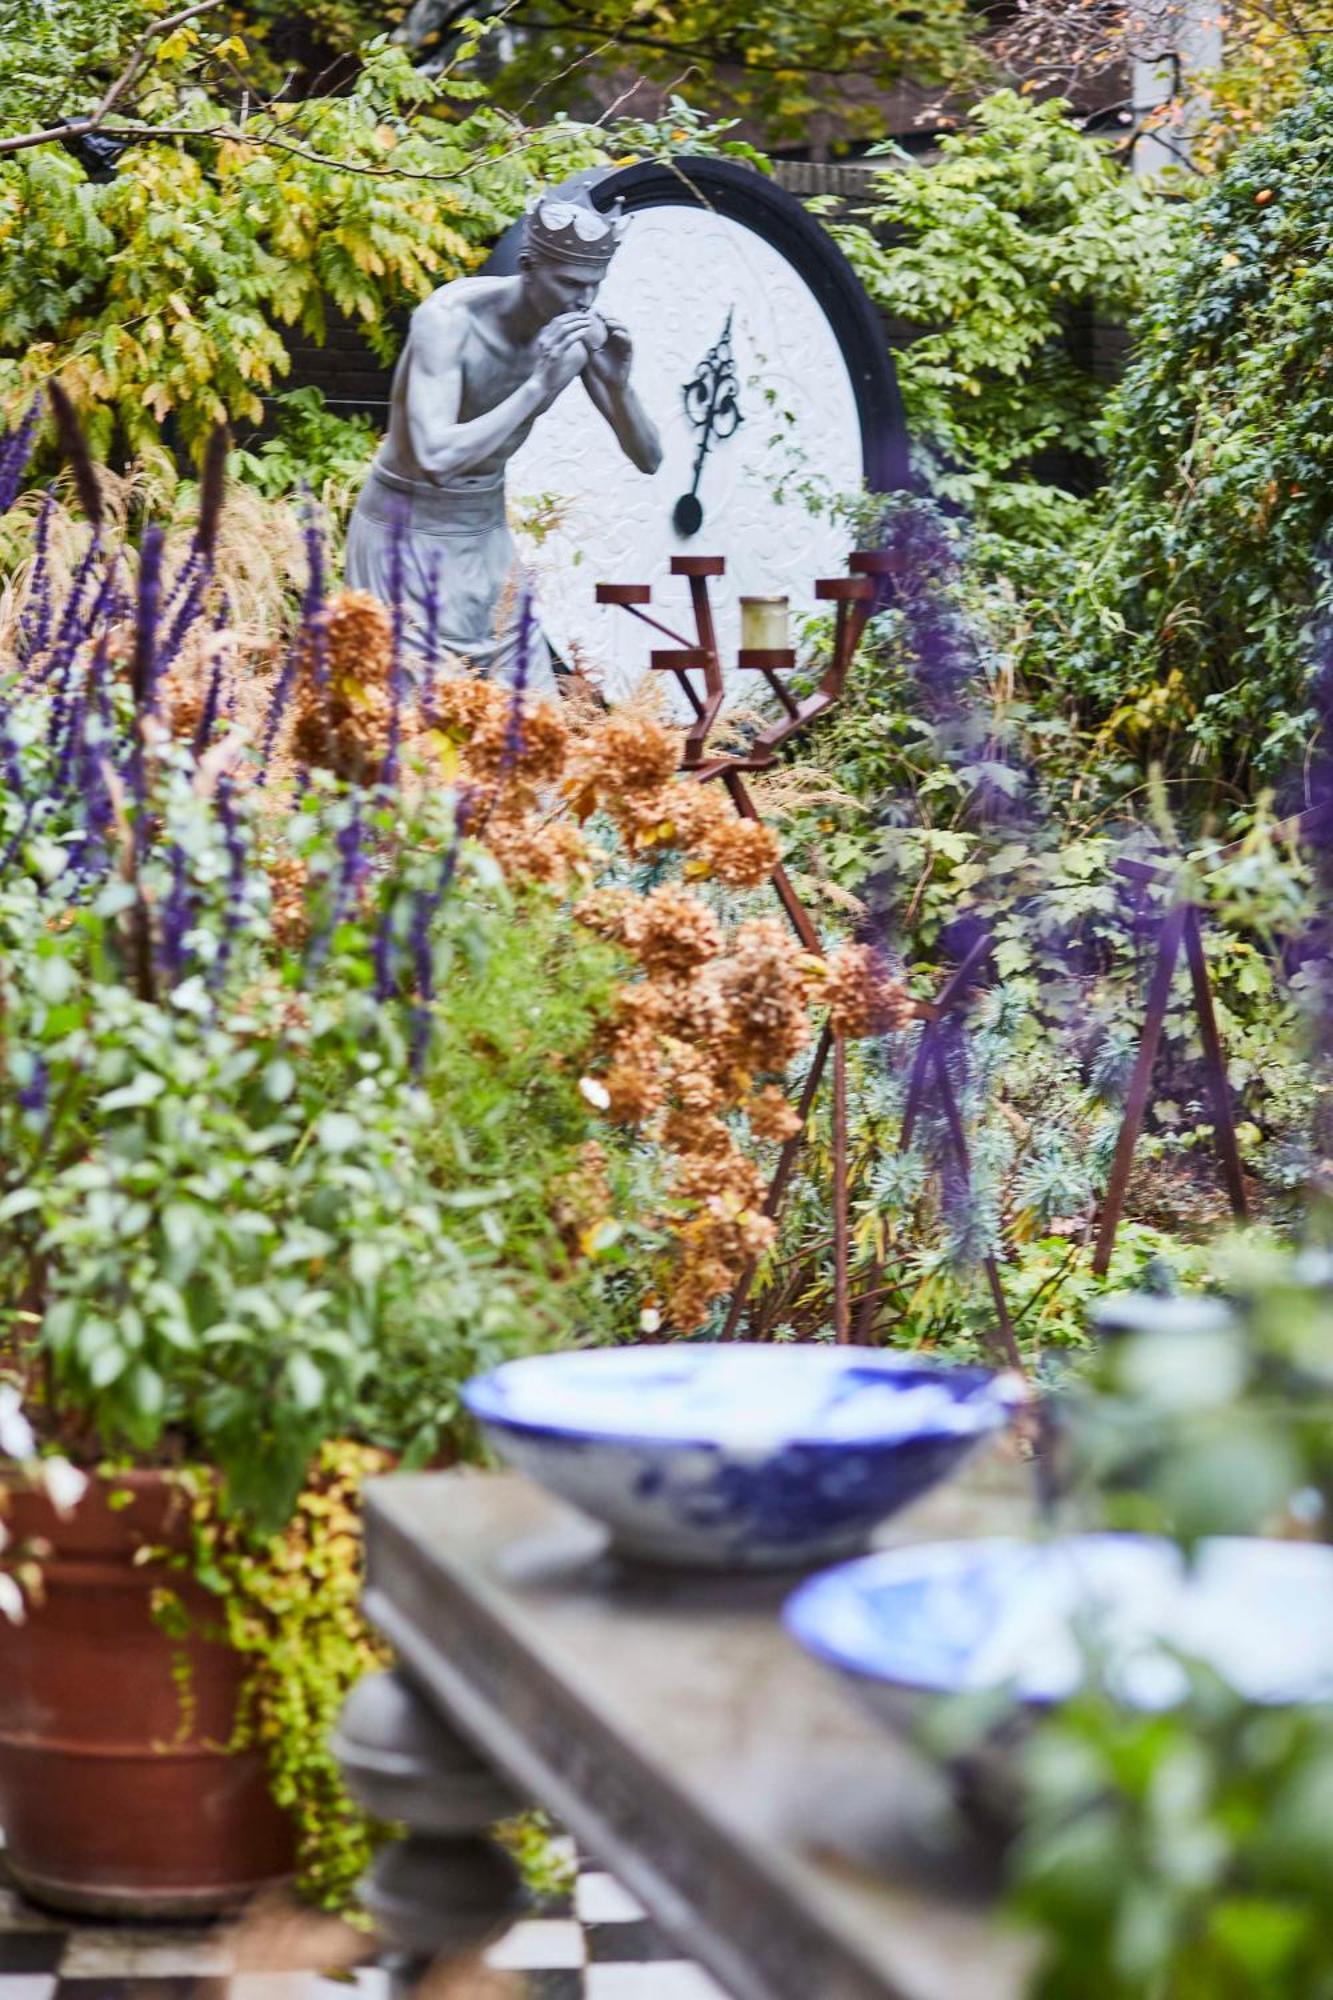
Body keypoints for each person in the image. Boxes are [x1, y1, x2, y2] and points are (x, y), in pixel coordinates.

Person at [345, 193, 662, 696]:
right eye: (570, 284)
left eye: (594, 286)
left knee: (533, 724)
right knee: (411, 735)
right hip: (405, 535)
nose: (584, 301)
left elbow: (649, 458)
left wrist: (620, 388)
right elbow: (434, 459)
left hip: (485, 537)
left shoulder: (574, 336)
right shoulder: (448, 321)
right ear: (528, 266)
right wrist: (536, 388)